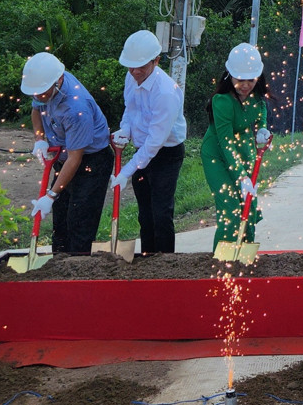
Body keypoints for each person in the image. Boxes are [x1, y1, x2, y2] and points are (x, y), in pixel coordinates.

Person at [21, 52, 113, 255]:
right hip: (64, 157)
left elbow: (75, 158)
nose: (38, 97)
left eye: (42, 93)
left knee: (79, 221)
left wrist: (51, 195)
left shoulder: (76, 108)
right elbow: (36, 110)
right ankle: (58, 266)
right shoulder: (44, 85)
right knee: (60, 221)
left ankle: (78, 270)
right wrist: (40, 139)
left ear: (59, 81)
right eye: (35, 93)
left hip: (92, 162)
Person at [110, 30, 188, 255]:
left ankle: (165, 263)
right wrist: (125, 128)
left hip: (166, 154)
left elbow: (155, 142)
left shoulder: (165, 92)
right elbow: (130, 108)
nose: (134, 71)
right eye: (130, 66)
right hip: (141, 150)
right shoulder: (131, 76)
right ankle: (147, 259)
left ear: (156, 60)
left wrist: (126, 170)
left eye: (141, 66)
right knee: (144, 212)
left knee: (161, 211)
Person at [201, 42, 271, 250]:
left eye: (251, 80)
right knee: (230, 206)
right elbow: (226, 142)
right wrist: (241, 177)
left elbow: (261, 112)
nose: (246, 85)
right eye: (240, 79)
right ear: (229, 75)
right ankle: (222, 259)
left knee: (248, 204)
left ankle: (245, 253)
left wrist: (262, 129)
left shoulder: (256, 96)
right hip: (218, 155)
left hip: (245, 150)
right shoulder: (221, 101)